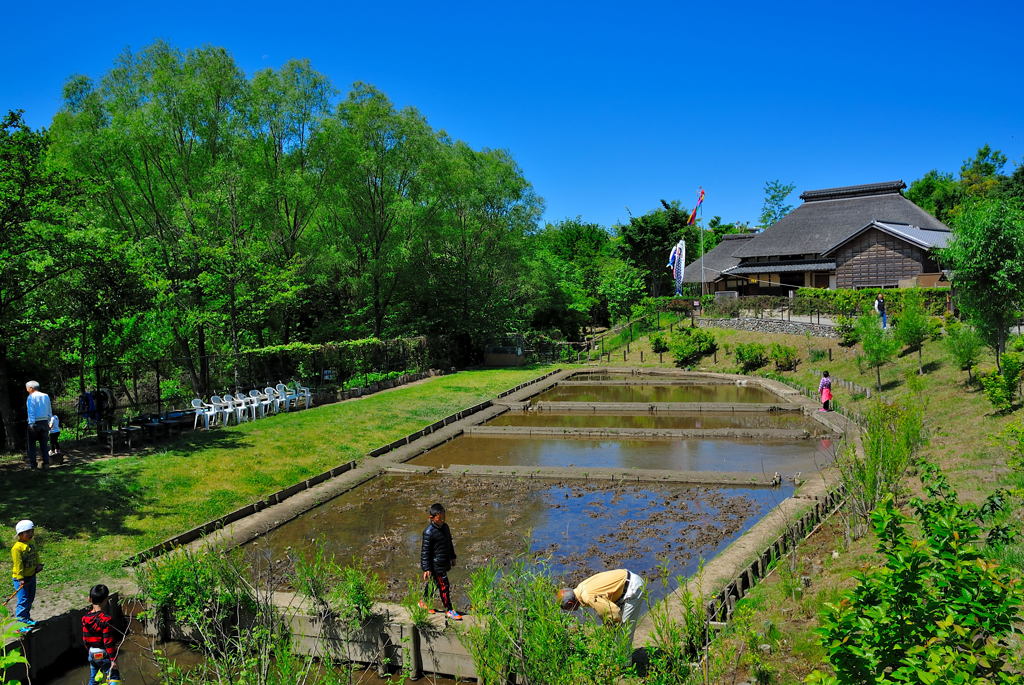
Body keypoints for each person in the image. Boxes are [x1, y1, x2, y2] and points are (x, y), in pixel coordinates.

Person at [558, 569, 646, 640]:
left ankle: (623, 662)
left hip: (632, 587)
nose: (569, 611)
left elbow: (613, 614)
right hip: (626, 581)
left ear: (570, 604)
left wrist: (610, 632)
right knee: (619, 632)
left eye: (567, 609)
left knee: (624, 634)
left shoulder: (587, 597)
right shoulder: (580, 587)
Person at [419, 503, 462, 620]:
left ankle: (423, 602)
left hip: (444, 561)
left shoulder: (445, 527)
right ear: (432, 518)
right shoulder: (428, 532)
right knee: (444, 586)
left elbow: (449, 543)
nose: (442, 519)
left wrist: (452, 557)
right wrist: (426, 568)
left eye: (444, 516)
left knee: (433, 584)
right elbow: (425, 552)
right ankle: (449, 609)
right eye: (440, 517)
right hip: (435, 565)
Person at [82, 584, 123, 685]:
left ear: (89, 599)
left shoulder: (85, 618)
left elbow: (85, 639)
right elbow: (108, 641)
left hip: (92, 653)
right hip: (103, 653)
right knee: (114, 677)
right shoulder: (106, 620)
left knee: (93, 679)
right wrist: (113, 659)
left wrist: (89, 651)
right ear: (106, 600)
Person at [11, 519, 43, 631]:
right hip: (21, 579)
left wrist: (38, 564)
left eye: (32, 531)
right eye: (27, 532)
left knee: (30, 598)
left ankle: (26, 619)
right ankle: (19, 626)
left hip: (31, 576)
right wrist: (20, 578)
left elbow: (36, 554)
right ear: (20, 534)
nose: (30, 534)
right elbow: (18, 564)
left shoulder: (31, 543)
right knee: (23, 600)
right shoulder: (17, 548)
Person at [25, 381, 53, 469]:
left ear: (31, 388)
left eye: (27, 388)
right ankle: (46, 463)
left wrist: (31, 423)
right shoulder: (45, 396)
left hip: (35, 423)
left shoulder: (30, 397)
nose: (26, 390)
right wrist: (50, 420)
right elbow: (49, 409)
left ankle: (33, 465)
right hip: (45, 422)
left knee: (32, 445)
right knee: (44, 445)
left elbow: (31, 411)